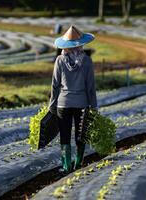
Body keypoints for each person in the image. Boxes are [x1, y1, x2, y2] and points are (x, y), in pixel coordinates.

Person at [49, 25, 97, 174]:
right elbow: (90, 87)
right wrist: (93, 106)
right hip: (82, 103)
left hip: (63, 104)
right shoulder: (87, 61)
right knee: (80, 134)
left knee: (64, 134)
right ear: (81, 44)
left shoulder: (60, 60)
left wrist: (52, 104)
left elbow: (55, 85)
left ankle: (66, 166)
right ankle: (78, 164)